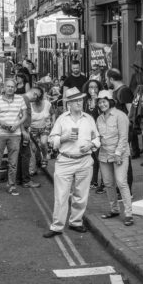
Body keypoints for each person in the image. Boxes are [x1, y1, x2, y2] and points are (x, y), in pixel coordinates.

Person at [43, 88, 100, 238]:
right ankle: (57, 226)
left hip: (84, 160)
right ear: (69, 103)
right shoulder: (62, 119)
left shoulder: (89, 119)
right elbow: (51, 140)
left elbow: (97, 139)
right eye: (75, 101)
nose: (79, 103)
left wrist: (91, 145)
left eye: (81, 100)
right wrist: (64, 138)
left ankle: (76, 222)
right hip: (65, 161)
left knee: (81, 194)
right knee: (61, 196)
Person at [95, 90, 133, 226]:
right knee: (108, 183)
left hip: (119, 155)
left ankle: (129, 214)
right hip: (104, 155)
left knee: (121, 182)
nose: (102, 104)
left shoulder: (120, 115)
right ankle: (114, 209)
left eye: (104, 101)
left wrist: (117, 154)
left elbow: (124, 137)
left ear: (110, 101)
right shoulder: (99, 118)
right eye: (99, 102)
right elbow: (98, 137)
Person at [0, 78, 27, 196]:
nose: (10, 88)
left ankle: (11, 185)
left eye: (12, 87)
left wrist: (17, 125)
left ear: (15, 88)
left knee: (13, 163)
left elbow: (25, 115)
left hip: (15, 134)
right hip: (0, 133)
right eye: (8, 86)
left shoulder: (20, 99)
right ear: (4, 88)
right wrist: (2, 123)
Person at [83, 79, 105, 194]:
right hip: (89, 134)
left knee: (101, 158)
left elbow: (103, 115)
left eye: (95, 87)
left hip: (99, 133)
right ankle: (94, 181)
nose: (93, 89)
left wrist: (97, 100)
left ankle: (104, 183)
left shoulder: (101, 101)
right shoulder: (85, 101)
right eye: (91, 87)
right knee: (93, 159)